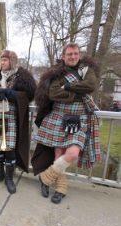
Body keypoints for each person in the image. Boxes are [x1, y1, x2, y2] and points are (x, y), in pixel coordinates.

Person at [32, 43, 101, 204]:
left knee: (72, 154)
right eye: (69, 54)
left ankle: (46, 177)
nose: (73, 56)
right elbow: (54, 93)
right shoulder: (55, 73)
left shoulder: (87, 71)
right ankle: (61, 188)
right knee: (58, 154)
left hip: (79, 116)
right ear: (63, 56)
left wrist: (68, 86)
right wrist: (78, 93)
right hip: (58, 115)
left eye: (76, 53)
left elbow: (91, 85)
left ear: (79, 55)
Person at [0, 50, 36, 194]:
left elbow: (28, 94)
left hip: (12, 115)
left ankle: (9, 178)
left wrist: (11, 93)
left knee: (9, 148)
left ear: (12, 61)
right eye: (1, 59)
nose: (2, 62)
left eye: (5, 60)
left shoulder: (22, 77)